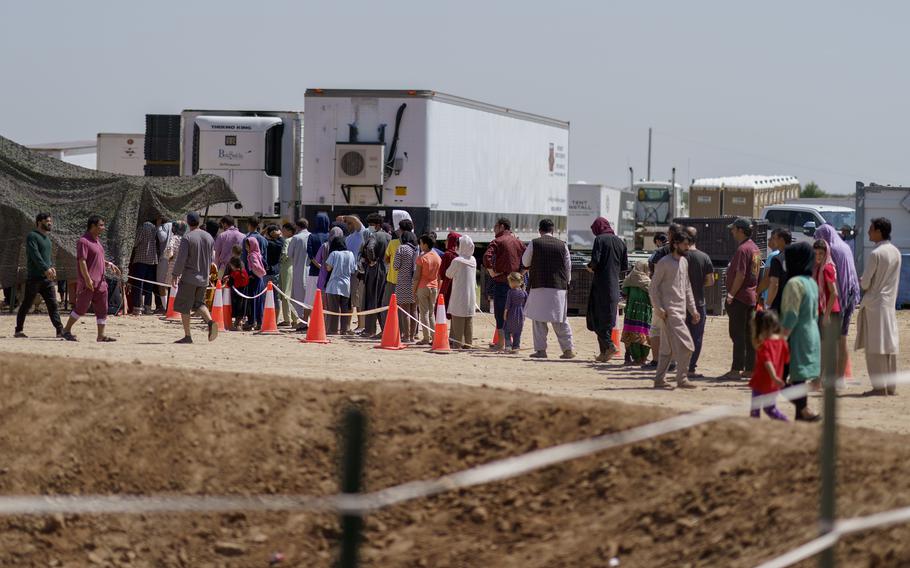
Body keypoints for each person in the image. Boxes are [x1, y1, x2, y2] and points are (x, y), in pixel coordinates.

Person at [856, 217, 901, 396]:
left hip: (874, 304)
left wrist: (861, 281)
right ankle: (891, 386)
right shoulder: (896, 252)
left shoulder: (876, 254)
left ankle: (879, 387)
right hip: (889, 304)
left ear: (879, 231)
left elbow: (865, 283)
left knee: (874, 348)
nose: (868, 232)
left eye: (871, 229)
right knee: (889, 345)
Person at [649, 232, 699, 389]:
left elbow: (687, 288)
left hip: (680, 312)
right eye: (685, 244)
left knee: (667, 350)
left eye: (688, 244)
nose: (687, 247)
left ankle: (659, 379)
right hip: (670, 313)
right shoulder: (664, 262)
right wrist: (658, 308)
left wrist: (693, 310)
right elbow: (653, 288)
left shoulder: (684, 262)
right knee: (687, 345)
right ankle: (682, 378)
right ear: (676, 244)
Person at [61, 215, 121, 342]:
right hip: (89, 283)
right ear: (93, 226)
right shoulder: (83, 241)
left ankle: (101, 335)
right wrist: (87, 279)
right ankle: (66, 330)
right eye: (101, 225)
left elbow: (97, 259)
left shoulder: (97, 241)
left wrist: (109, 264)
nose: (103, 228)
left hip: (101, 283)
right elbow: (82, 261)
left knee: (102, 309)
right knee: (81, 308)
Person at [522, 218, 576, 359]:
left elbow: (525, 261)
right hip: (558, 288)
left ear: (540, 230)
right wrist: (567, 282)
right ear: (553, 231)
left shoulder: (535, 243)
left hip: (539, 286)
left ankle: (541, 351)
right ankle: (568, 350)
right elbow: (568, 267)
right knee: (560, 320)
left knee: (538, 320)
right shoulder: (562, 245)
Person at [780, 242, 821, 421]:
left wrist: (780, 339)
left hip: (796, 335)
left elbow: (791, 315)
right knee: (798, 379)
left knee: (778, 379)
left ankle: (804, 410)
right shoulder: (811, 282)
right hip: (812, 334)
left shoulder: (794, 283)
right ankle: (801, 417)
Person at [814, 224, 860, 382]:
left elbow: (835, 282)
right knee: (843, 339)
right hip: (850, 296)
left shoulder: (831, 249)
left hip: (837, 301)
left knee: (831, 342)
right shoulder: (845, 246)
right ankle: (840, 378)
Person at [721, 217, 761, 380]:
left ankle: (736, 369)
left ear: (741, 230)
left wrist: (731, 295)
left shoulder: (743, 249)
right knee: (748, 334)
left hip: (740, 297)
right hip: (750, 297)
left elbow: (740, 274)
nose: (732, 231)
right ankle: (750, 368)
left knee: (737, 335)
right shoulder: (755, 248)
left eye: (734, 229)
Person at [170, 212, 217, 343]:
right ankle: (211, 322)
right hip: (204, 277)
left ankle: (187, 335)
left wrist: (175, 274)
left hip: (189, 277)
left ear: (188, 223)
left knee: (185, 306)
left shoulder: (187, 237)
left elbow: (181, 259)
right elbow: (211, 258)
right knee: (199, 304)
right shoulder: (209, 237)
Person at [15, 212, 63, 338]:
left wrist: (51, 267)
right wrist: (45, 269)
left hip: (46, 279)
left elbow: (47, 257)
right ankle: (18, 330)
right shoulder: (32, 236)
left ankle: (60, 330)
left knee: (53, 305)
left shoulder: (47, 239)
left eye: (50, 221)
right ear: (39, 222)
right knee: (26, 304)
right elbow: (35, 255)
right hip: (34, 278)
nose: (50, 223)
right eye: (48, 221)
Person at [586, 217, 628, 362]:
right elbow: (624, 267)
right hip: (614, 286)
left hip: (601, 285)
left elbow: (595, 261)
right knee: (608, 320)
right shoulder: (620, 242)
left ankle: (609, 346)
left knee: (596, 317)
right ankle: (604, 353)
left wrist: (590, 267)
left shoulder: (600, 240)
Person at [483, 217, 527, 351]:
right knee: (516, 313)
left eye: (495, 226)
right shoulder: (519, 242)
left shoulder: (497, 241)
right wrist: (521, 274)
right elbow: (528, 258)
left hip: (501, 282)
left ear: (502, 226)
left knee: (500, 313)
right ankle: (515, 344)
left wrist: (491, 272)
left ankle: (501, 343)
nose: (494, 229)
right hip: (517, 284)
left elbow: (487, 257)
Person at [646, 223, 683, 367]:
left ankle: (656, 360)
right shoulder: (685, 251)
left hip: (662, 294)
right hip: (677, 294)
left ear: (669, 235)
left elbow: (654, 273)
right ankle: (673, 361)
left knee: (656, 328)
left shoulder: (661, 252)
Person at [683, 227, 715, 378]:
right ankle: (691, 368)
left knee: (680, 335)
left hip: (680, 303)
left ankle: (679, 365)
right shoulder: (704, 257)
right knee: (696, 337)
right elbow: (710, 281)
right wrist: (698, 284)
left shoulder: (680, 257)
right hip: (699, 302)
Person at [748, 310, 789, 421]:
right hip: (772, 385)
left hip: (761, 382)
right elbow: (787, 360)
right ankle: (787, 422)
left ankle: (754, 430)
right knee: (771, 409)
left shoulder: (764, 345)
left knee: (755, 411)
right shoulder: (782, 342)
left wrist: (774, 376)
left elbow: (767, 361)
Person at [813, 238, 841, 390]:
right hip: (822, 311)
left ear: (826, 253)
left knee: (825, 348)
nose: (818, 256)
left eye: (821, 253)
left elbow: (834, 293)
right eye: (816, 253)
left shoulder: (826, 268)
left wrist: (826, 315)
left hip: (829, 312)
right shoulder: (818, 267)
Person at [360, 214, 390, 338]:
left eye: (371, 224)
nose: (369, 227)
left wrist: (372, 260)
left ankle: (370, 330)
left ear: (377, 225)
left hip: (375, 270)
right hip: (386, 270)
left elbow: (370, 248)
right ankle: (384, 329)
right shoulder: (389, 236)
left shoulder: (374, 236)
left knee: (371, 299)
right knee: (383, 301)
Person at [381, 211, 411, 329]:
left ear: (402, 230)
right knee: (406, 308)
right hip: (407, 281)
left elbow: (386, 259)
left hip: (392, 279)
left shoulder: (393, 243)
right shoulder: (414, 244)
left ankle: (387, 329)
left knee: (386, 305)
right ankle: (404, 331)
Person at [446, 235, 477, 349]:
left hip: (459, 294)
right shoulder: (473, 260)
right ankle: (468, 343)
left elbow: (448, 274)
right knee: (468, 320)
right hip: (471, 295)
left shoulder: (457, 260)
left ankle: (457, 343)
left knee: (458, 319)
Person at [621, 261, 653, 365]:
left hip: (631, 311)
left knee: (631, 332)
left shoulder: (629, 279)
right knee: (644, 332)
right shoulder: (648, 282)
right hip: (644, 313)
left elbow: (624, 293)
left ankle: (634, 357)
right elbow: (653, 296)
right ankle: (643, 357)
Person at [324, 236, 356, 335]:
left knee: (333, 309)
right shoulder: (350, 254)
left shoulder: (334, 254)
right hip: (346, 285)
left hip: (333, 285)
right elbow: (353, 270)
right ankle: (344, 329)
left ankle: (333, 329)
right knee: (345, 309)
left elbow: (328, 268)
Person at [414, 234, 441, 345]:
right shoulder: (437, 257)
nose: (420, 245)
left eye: (421, 243)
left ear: (425, 244)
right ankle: (434, 337)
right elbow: (439, 276)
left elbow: (417, 276)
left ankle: (426, 337)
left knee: (424, 313)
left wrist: (413, 290)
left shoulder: (422, 258)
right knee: (431, 314)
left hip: (423, 286)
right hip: (434, 287)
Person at [394, 230, 419, 342]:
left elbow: (395, 265)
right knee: (414, 310)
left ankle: (406, 336)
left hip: (403, 281)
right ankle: (413, 336)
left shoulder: (401, 248)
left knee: (405, 310)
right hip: (415, 282)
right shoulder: (416, 249)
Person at [131, 218, 159, 315]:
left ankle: (137, 307)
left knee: (138, 284)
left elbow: (135, 242)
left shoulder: (142, 227)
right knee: (149, 286)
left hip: (141, 258)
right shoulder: (155, 228)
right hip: (152, 260)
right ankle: (148, 307)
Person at [305, 213, 331, 318]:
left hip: (314, 272)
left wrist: (319, 266)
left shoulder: (312, 236)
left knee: (309, 298)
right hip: (328, 272)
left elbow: (310, 256)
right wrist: (324, 268)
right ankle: (323, 321)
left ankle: (305, 320)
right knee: (325, 299)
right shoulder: (330, 236)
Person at [287, 218, 311, 330]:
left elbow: (289, 254)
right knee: (309, 296)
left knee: (298, 296)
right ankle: (307, 320)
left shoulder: (296, 238)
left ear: (297, 226)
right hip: (311, 271)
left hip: (298, 270)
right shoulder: (311, 236)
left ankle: (302, 321)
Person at [764, 229, 792, 312]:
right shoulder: (798, 256)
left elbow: (774, 284)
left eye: (775, 238)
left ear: (781, 240)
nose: (773, 241)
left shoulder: (776, 259)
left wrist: (768, 304)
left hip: (779, 302)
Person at [278, 223, 300, 328]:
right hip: (295, 268)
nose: (282, 231)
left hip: (286, 269)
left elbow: (285, 255)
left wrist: (280, 259)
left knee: (285, 295)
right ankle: (295, 318)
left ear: (289, 230)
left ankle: (287, 319)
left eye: (284, 229)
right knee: (293, 295)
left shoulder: (287, 241)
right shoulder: (297, 239)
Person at [243, 236, 267, 330]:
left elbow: (256, 267)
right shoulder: (258, 254)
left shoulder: (252, 255)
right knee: (258, 301)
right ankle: (259, 322)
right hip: (259, 280)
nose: (246, 247)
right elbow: (265, 264)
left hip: (254, 280)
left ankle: (252, 322)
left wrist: (252, 274)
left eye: (247, 245)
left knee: (253, 301)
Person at [438, 231, 462, 317]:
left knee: (443, 309)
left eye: (447, 240)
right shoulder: (461, 255)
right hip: (458, 286)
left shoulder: (447, 255)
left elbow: (442, 273)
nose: (445, 242)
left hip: (447, 286)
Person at [502, 272, 528, 353]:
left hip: (511, 314)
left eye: (509, 282)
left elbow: (507, 304)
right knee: (517, 332)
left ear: (513, 282)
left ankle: (508, 346)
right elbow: (526, 304)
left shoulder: (511, 292)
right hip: (520, 314)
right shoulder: (524, 292)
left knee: (507, 330)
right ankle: (516, 347)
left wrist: (505, 313)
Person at [263, 225, 284, 322]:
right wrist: (278, 234)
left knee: (264, 296)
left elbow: (260, 237)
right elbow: (281, 238)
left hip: (266, 272)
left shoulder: (266, 243)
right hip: (276, 271)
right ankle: (275, 320)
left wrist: (265, 231)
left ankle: (264, 318)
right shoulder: (280, 242)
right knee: (275, 297)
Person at [222, 257, 249, 331]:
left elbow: (230, 283)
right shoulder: (243, 272)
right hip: (244, 295)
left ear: (233, 265)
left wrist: (227, 279)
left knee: (237, 310)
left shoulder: (234, 273)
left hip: (236, 297)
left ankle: (238, 325)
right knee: (241, 311)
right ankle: (239, 323)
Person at [155, 216, 173, 312]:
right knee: (172, 283)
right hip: (174, 258)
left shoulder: (166, 225)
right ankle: (170, 307)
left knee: (161, 283)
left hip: (165, 258)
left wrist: (158, 226)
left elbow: (162, 238)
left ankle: (165, 307)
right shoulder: (177, 225)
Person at [162, 221, 187, 289]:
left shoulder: (174, 238)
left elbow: (169, 249)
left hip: (172, 266)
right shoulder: (185, 239)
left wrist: (169, 257)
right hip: (182, 268)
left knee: (168, 287)